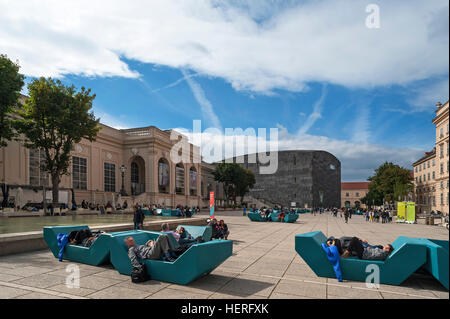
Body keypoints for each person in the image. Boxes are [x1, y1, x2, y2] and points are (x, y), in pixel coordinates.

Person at [327, 236, 394, 260]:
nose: (384, 247)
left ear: (388, 249)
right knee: (338, 241)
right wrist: (369, 248)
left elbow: (374, 255)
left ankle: (346, 252)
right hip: (365, 251)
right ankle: (334, 245)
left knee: (355, 239)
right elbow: (374, 252)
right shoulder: (382, 251)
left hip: (363, 254)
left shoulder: (383, 253)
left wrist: (369, 249)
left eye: (386, 247)